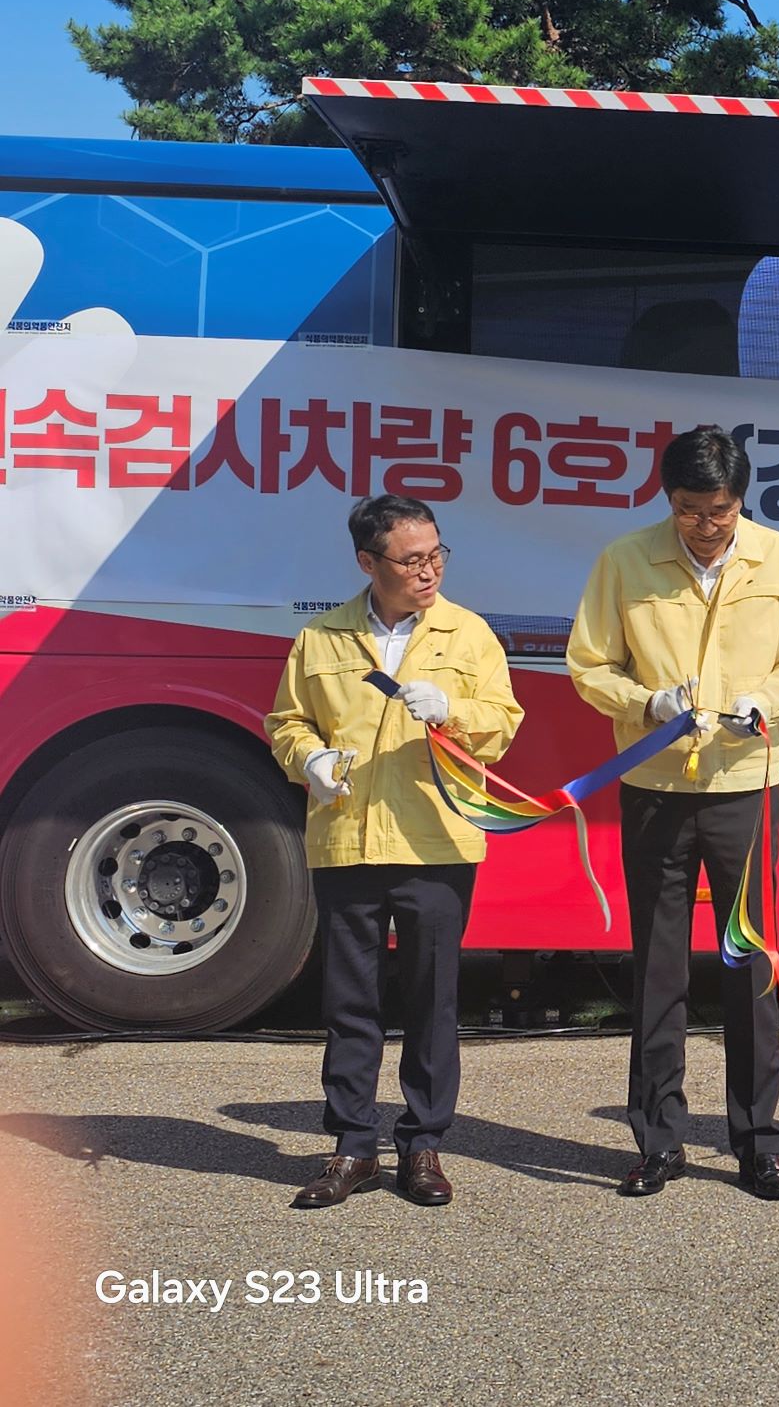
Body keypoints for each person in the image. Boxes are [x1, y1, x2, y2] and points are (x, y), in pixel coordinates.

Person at [568, 426, 779, 1201]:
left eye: (720, 511)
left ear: (741, 499)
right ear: (668, 499)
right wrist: (644, 702)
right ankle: (658, 1140)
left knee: (748, 966)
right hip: (654, 787)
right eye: (689, 510)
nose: (706, 526)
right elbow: (589, 664)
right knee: (658, 969)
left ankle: (756, 1143)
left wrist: (766, 701)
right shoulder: (625, 560)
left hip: (744, 785)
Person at [268, 494, 523, 1209]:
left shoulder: (467, 634)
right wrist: (309, 759)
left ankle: (423, 1146)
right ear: (367, 562)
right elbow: (287, 721)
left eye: (436, 554)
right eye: (411, 560)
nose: (428, 570)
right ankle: (353, 1148)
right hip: (347, 839)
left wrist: (454, 711)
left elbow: (503, 725)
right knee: (350, 1003)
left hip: (435, 839)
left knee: (431, 1001)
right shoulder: (322, 637)